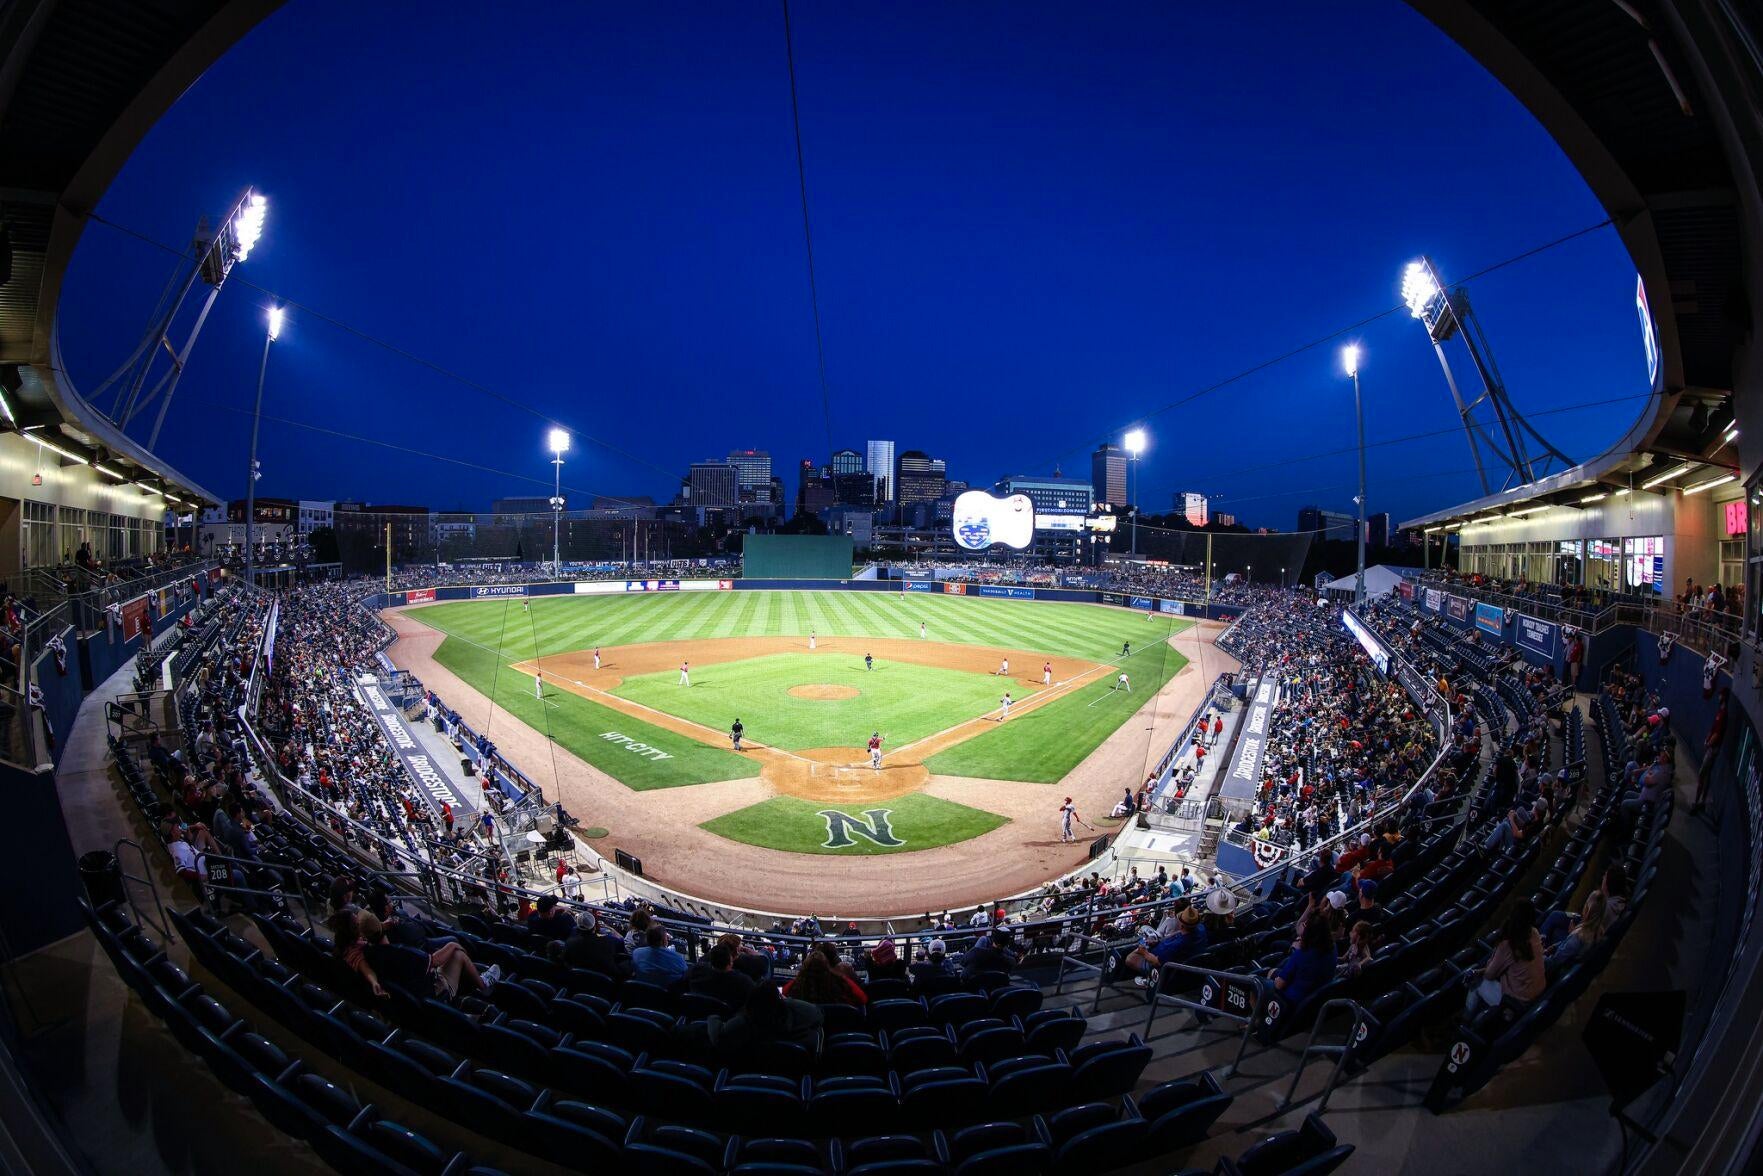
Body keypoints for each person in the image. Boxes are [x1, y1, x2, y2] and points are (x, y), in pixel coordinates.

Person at [1465, 898, 1545, 1020]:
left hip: (1516, 1003)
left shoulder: (1508, 946)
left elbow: (1489, 975)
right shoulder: (1534, 932)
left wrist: (1479, 971)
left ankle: (1465, 1022)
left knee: (1475, 983)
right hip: (1537, 993)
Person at [1268, 916, 1336, 1009]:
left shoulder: (1301, 954)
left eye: (1305, 925)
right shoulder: (1333, 949)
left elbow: (1279, 985)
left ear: (1309, 932)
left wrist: (1275, 982)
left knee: (1258, 985)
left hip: (1291, 1002)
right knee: (1274, 971)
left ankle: (1260, 1018)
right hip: (1316, 998)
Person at [564, 911, 633, 980]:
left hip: (578, 981)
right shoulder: (607, 941)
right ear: (594, 927)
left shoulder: (569, 942)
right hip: (605, 983)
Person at [1547, 891, 1606, 970]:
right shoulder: (1600, 929)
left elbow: (1554, 961)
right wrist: (1555, 946)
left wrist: (1539, 955)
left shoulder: (1578, 935)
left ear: (1587, 908)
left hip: (1556, 969)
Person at [783, 949, 867, 1005]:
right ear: (827, 966)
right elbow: (863, 999)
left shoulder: (797, 983)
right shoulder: (841, 981)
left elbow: (783, 993)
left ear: (804, 967)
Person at [689, 942, 758, 1009]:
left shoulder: (697, 970)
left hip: (698, 1013)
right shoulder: (743, 981)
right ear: (731, 962)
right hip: (727, 1018)